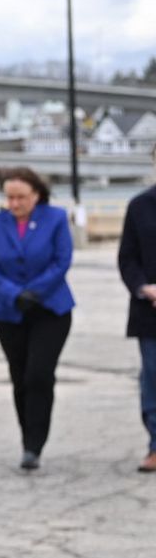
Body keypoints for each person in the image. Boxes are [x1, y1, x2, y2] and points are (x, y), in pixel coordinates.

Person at [0, 166, 75, 471]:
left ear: (36, 195)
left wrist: (35, 291)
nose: (15, 204)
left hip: (50, 310)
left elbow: (62, 261)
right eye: (10, 197)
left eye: (21, 197)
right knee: (20, 376)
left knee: (39, 375)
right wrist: (14, 293)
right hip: (9, 311)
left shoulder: (56, 219)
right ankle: (27, 441)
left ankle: (37, 441)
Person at [118, 158, 156, 473]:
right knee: (153, 379)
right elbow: (127, 258)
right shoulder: (140, 206)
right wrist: (144, 287)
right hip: (150, 309)